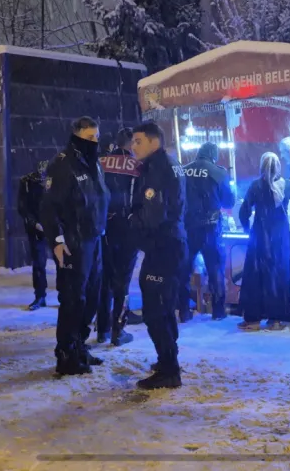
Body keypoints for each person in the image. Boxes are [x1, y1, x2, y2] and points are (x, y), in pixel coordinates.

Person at [41, 116, 109, 376]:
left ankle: (79, 345)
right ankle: (66, 353)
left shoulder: (93, 164)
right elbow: (48, 207)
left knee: (91, 296)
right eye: (90, 137)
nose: (95, 142)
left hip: (94, 240)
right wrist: (57, 240)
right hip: (73, 241)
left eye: (97, 137)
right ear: (77, 135)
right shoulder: (62, 164)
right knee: (72, 298)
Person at [129, 121, 187, 390]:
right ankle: (168, 359)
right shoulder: (170, 163)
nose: (133, 146)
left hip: (163, 245)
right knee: (164, 305)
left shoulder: (156, 169)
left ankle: (169, 369)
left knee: (154, 309)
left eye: (138, 141)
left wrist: (132, 223)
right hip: (172, 243)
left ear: (154, 141)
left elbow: (153, 214)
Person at [237, 152, 290, 331]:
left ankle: (253, 319)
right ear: (278, 166)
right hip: (280, 237)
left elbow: (243, 212)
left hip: (260, 235)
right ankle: (276, 319)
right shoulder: (287, 185)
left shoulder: (256, 186)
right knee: (278, 276)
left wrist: (247, 229)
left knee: (256, 276)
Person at [180, 142, 236, 321]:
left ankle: (183, 310)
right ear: (214, 155)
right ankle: (218, 311)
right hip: (210, 227)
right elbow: (229, 202)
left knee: (184, 269)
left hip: (187, 227)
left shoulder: (183, 170)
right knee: (215, 269)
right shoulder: (219, 172)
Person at [97, 127, 140, 346]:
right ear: (131, 144)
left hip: (103, 227)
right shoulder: (136, 166)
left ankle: (101, 328)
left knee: (104, 279)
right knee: (122, 281)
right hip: (125, 228)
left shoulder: (101, 162)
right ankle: (118, 329)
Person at [18, 160, 50, 311]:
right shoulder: (28, 183)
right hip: (37, 227)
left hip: (54, 227)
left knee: (63, 264)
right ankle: (40, 296)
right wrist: (35, 223)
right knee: (38, 263)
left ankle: (64, 296)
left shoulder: (57, 181)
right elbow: (23, 207)